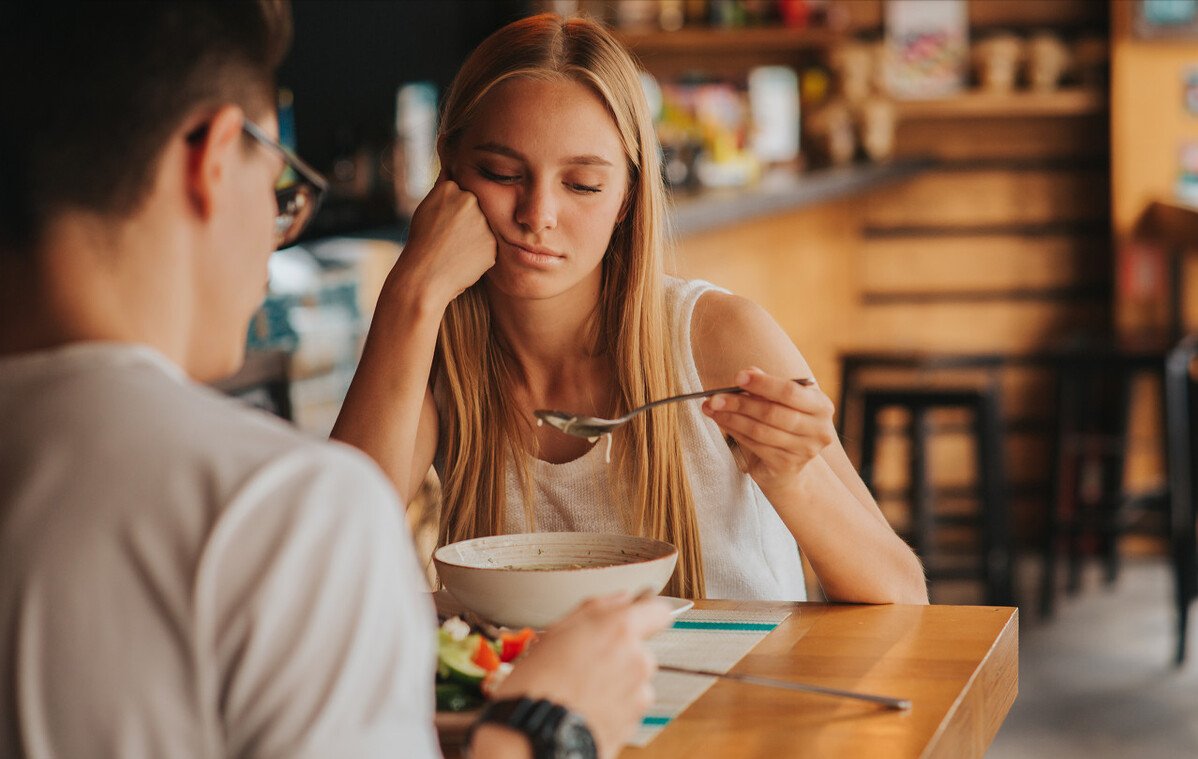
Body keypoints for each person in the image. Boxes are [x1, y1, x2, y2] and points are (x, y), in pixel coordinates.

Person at [0, 3, 669, 759]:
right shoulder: (279, 510)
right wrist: (547, 726)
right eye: (281, 178)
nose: (277, 222)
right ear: (216, 158)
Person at [332, 14, 928, 605]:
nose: (538, 214)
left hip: (737, 695)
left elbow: (903, 597)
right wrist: (410, 291)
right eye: (502, 173)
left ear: (625, 198)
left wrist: (794, 477)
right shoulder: (437, 357)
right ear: (450, 172)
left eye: (583, 185)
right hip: (539, 702)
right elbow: (328, 557)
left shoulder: (718, 339)